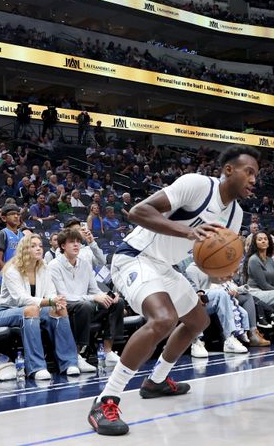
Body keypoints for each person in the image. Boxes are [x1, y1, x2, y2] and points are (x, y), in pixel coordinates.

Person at [88, 145, 259, 436]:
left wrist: (222, 272)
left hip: (165, 267)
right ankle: (105, 400)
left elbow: (210, 258)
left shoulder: (236, 216)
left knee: (198, 321)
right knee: (164, 319)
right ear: (229, 170)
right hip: (135, 255)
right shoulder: (197, 185)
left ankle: (156, 381)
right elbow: (138, 211)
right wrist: (188, 232)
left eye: (257, 175)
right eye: (249, 172)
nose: (254, 179)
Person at [0, 234, 80, 380]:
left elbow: (51, 293)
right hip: (7, 311)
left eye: (40, 246)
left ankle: (69, 363)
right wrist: (49, 301)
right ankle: (36, 367)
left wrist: (56, 301)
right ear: (23, 249)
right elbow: (21, 299)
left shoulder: (44, 267)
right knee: (32, 309)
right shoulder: (11, 269)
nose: (38, 249)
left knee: (59, 309)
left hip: (36, 309)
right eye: (33, 246)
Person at [48, 228, 124, 371]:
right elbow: (63, 295)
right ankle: (76, 355)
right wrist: (94, 297)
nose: (76, 245)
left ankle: (108, 352)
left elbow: (94, 290)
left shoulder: (85, 263)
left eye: (78, 242)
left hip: (85, 304)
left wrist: (108, 296)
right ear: (63, 246)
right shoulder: (54, 266)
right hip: (65, 307)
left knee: (117, 303)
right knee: (84, 306)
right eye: (72, 242)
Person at [0, 204, 23, 271]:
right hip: (7, 276)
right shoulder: (3, 234)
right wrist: (9, 274)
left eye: (18, 214)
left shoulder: (22, 235)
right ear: (4, 218)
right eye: (12, 214)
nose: (16, 216)